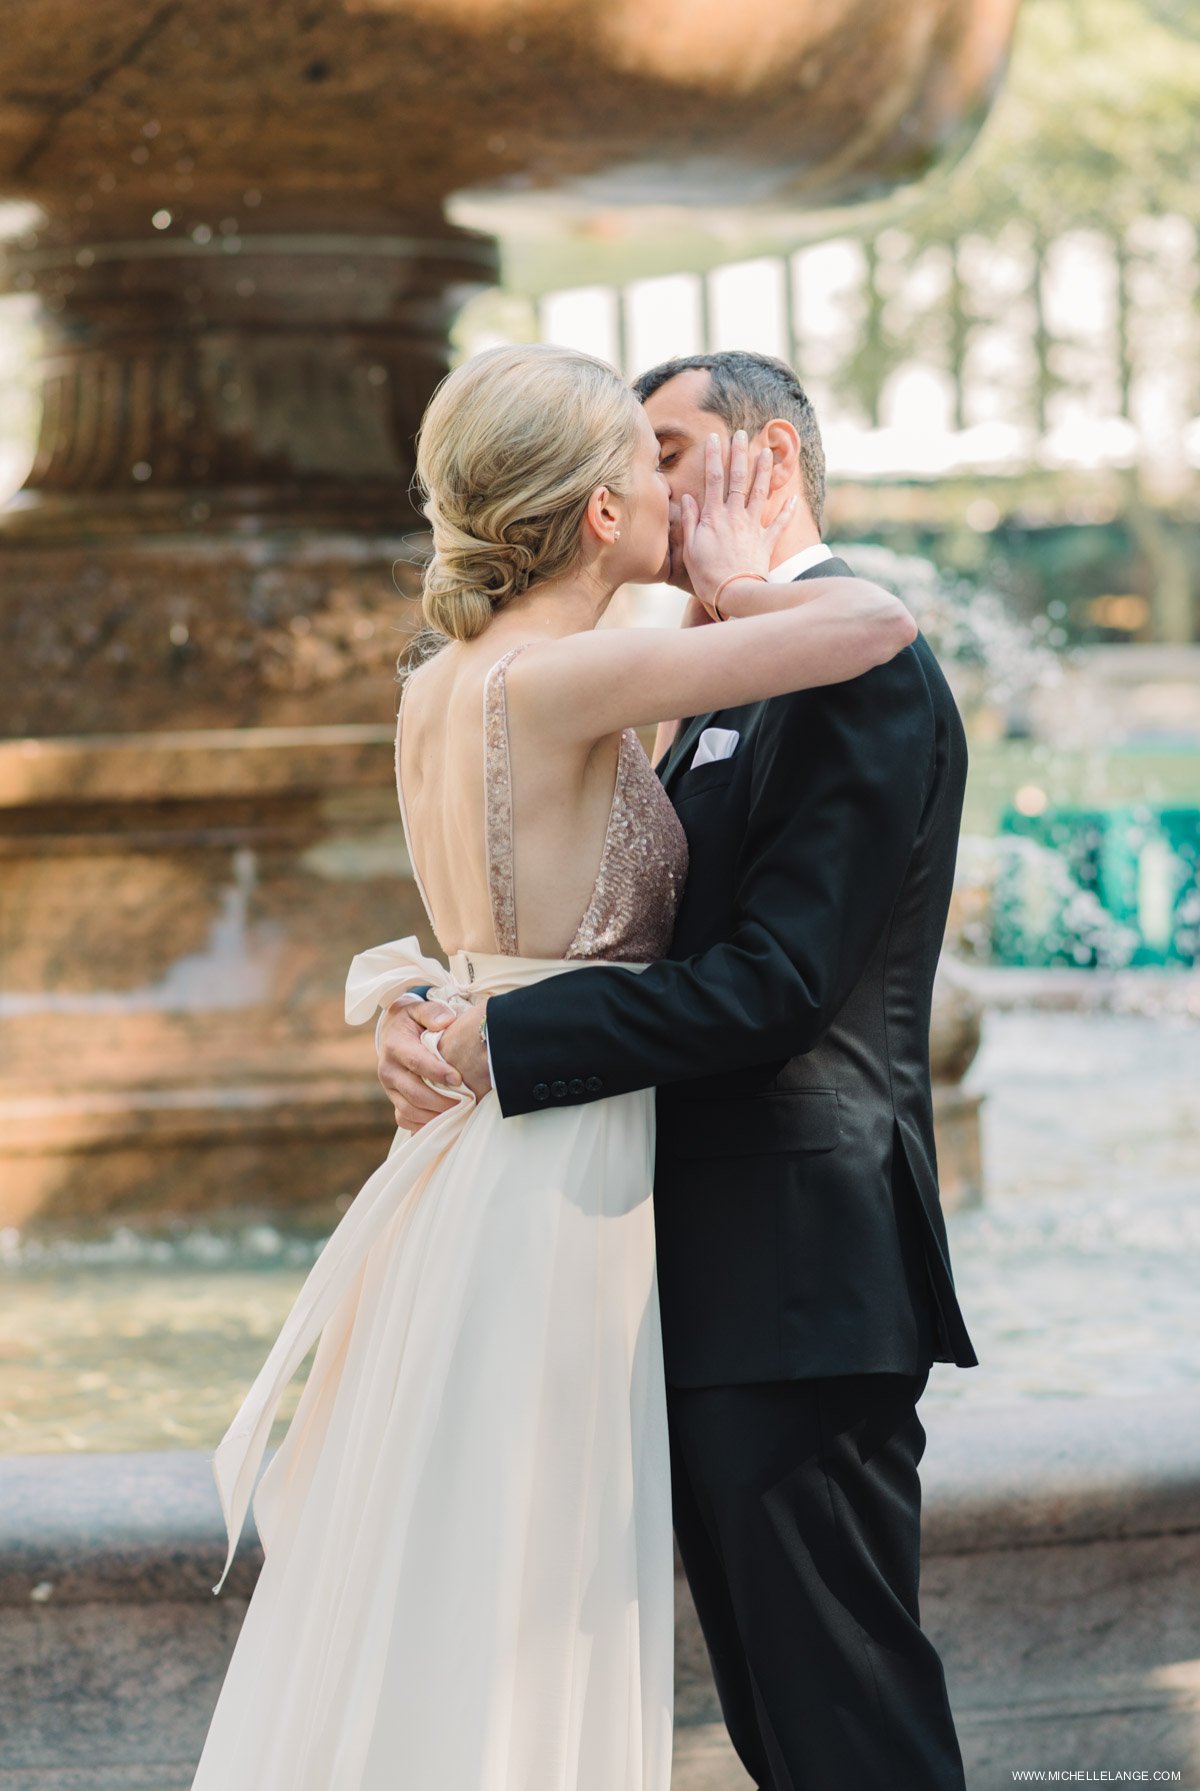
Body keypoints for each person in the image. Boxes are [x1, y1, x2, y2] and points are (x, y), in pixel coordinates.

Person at [192, 341, 916, 1791]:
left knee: (441, 1554)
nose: (672, 489)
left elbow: (490, 933)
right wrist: (731, 579)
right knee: (526, 1567)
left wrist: (415, 1009)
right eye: (646, 469)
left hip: (469, 1150)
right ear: (598, 511)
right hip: (556, 1171)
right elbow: (878, 625)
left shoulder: (445, 685)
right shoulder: (586, 674)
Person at [380, 349, 979, 1791]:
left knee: (848, 1727)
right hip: (672, 1273)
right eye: (627, 456)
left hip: (797, 1282)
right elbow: (590, 920)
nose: (640, 484)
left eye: (667, 446)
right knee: (782, 1733)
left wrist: (498, 1043)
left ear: (765, 459)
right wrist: (424, 998)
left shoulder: (853, 665)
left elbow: (774, 987)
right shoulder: (705, 669)